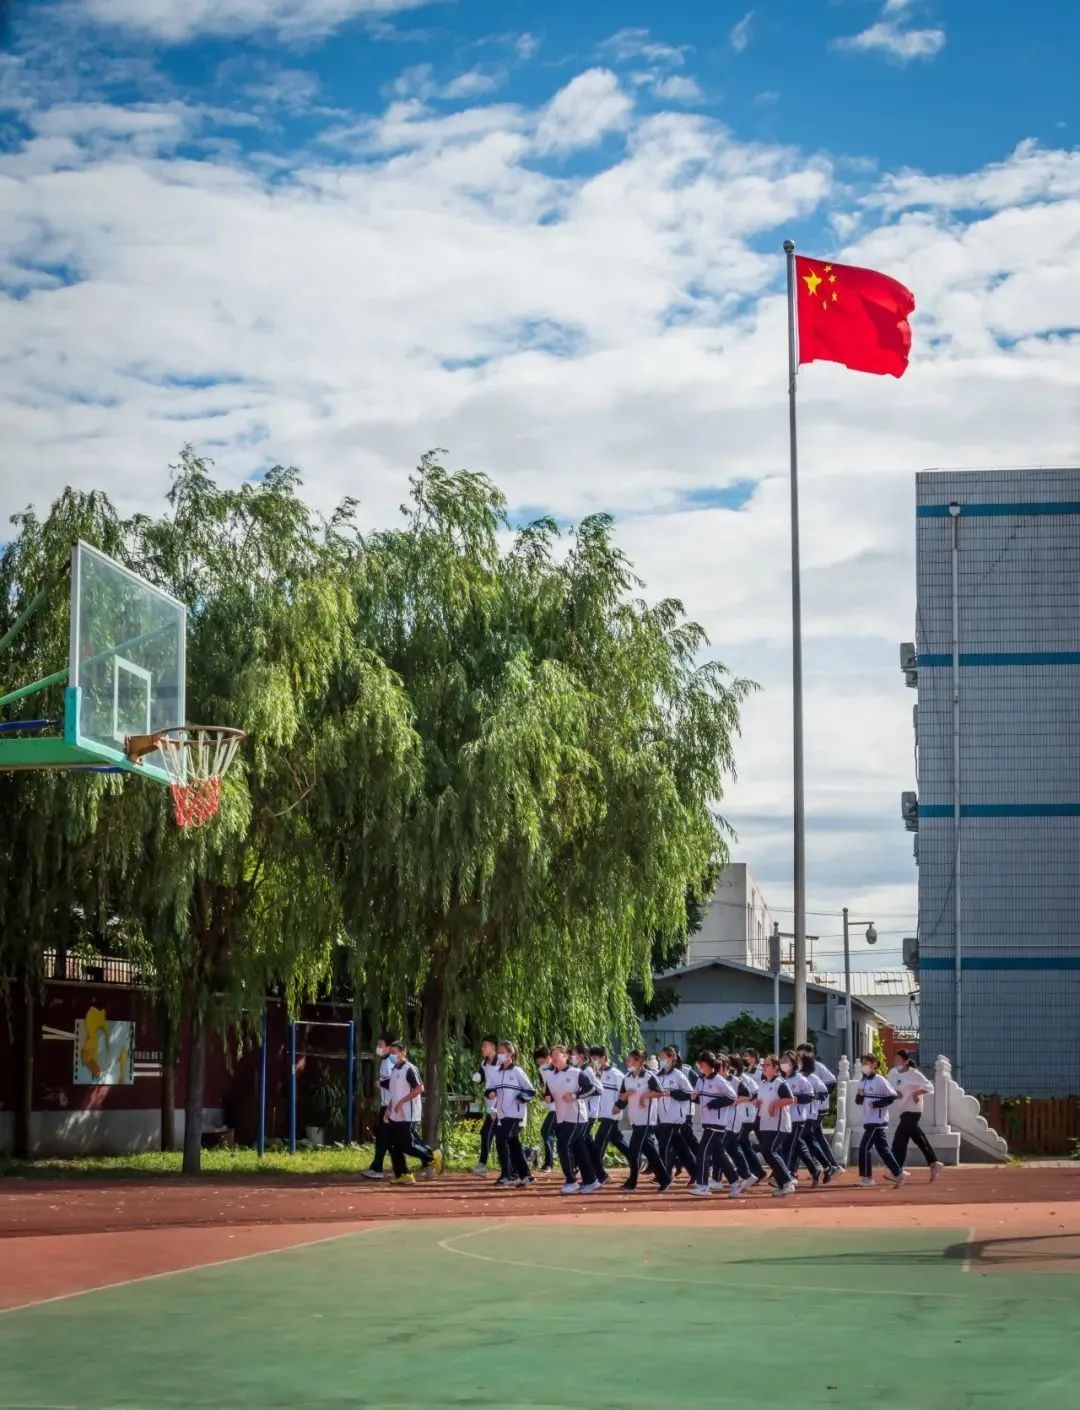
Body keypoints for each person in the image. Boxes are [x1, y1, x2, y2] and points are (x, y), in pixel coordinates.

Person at [542, 1044, 604, 1194]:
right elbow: (548, 1093)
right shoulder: (550, 1076)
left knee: (563, 1145)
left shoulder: (576, 1073)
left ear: (565, 1056)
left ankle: (571, 1181)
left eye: (557, 1054)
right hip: (561, 1117)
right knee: (578, 1149)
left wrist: (575, 1095)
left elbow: (592, 1089)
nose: (554, 1057)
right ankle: (591, 1181)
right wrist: (548, 1098)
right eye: (552, 1055)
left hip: (576, 1117)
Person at [385, 1039, 442, 1184]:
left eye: (394, 1052)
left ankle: (432, 1157)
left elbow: (419, 1088)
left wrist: (402, 1102)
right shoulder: (394, 1070)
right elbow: (395, 1092)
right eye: (390, 1052)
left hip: (408, 1113)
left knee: (407, 1144)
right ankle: (403, 1174)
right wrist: (389, 1107)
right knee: (392, 1144)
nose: (391, 1055)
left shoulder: (409, 1069)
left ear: (403, 1053)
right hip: (396, 1114)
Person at [614, 1050, 671, 1192]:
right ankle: (665, 1178)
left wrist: (646, 1095)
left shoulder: (649, 1076)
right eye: (627, 1060)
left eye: (630, 1060)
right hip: (634, 1120)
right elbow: (622, 1096)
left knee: (634, 1151)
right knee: (650, 1151)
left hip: (646, 1120)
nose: (627, 1063)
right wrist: (621, 1102)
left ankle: (631, 1183)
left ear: (639, 1061)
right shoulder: (627, 1078)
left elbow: (661, 1092)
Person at [690, 1051, 744, 1198]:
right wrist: (691, 1097)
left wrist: (713, 1104)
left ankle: (703, 1185)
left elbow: (732, 1097)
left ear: (707, 1064)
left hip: (717, 1123)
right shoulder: (701, 1080)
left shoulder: (719, 1080)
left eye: (701, 1063)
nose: (699, 1066)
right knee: (719, 1154)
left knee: (703, 1151)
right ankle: (735, 1181)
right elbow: (697, 1097)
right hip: (707, 1122)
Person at [487, 1040, 536, 1188]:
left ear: (511, 1053)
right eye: (499, 1053)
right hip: (501, 1114)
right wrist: (491, 1093)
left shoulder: (517, 1071)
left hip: (515, 1114)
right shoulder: (495, 1073)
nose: (500, 1055)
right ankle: (526, 1175)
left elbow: (530, 1090)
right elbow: (489, 1089)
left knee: (502, 1140)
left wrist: (521, 1098)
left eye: (503, 1052)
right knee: (514, 1144)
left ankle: (506, 1175)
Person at [854, 1053, 905, 1188]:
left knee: (864, 1147)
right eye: (863, 1064)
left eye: (867, 1063)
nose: (864, 1066)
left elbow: (892, 1096)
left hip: (877, 1121)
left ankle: (867, 1178)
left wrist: (876, 1104)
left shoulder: (880, 1080)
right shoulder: (862, 1082)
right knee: (883, 1149)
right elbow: (858, 1101)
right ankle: (898, 1173)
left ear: (874, 1064)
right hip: (868, 1120)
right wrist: (860, 1095)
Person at [890, 1052, 944, 1180]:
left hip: (914, 1110)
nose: (895, 1062)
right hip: (903, 1110)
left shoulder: (914, 1074)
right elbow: (889, 1087)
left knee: (900, 1139)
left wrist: (916, 1093)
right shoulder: (892, 1073)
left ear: (906, 1062)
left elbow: (930, 1087)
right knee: (919, 1138)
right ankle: (934, 1163)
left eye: (898, 1059)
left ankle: (896, 1171)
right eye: (895, 1059)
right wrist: (895, 1093)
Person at [752, 1053, 797, 1196]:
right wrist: (757, 1103)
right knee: (767, 1152)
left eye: (768, 1065)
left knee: (770, 1151)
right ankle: (782, 1182)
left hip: (779, 1124)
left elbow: (790, 1099)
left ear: (776, 1067)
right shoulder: (763, 1084)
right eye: (763, 1065)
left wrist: (774, 1104)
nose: (764, 1067)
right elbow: (760, 1100)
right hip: (766, 1123)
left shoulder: (780, 1083)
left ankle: (788, 1181)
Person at [796, 1042, 842, 1177]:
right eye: (799, 1054)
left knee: (802, 1136)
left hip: (819, 1108)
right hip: (808, 1110)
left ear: (811, 1054)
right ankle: (831, 1165)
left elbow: (832, 1082)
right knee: (816, 1137)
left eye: (803, 1054)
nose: (801, 1057)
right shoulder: (799, 1069)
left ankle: (816, 1166)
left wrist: (817, 1096)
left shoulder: (818, 1067)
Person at [654, 1046, 699, 1184]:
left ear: (672, 1058)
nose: (660, 1060)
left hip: (676, 1117)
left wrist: (672, 1093)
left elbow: (690, 1094)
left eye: (663, 1057)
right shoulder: (658, 1075)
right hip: (663, 1116)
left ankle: (664, 1176)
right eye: (660, 1058)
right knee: (680, 1146)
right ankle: (696, 1172)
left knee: (663, 1144)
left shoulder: (679, 1075)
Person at [782, 1051, 822, 1185]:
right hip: (785, 1118)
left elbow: (810, 1096)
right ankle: (814, 1170)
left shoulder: (800, 1079)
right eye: (782, 1061)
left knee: (788, 1146)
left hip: (797, 1118)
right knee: (798, 1145)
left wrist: (797, 1099)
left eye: (786, 1061)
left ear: (793, 1063)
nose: (783, 1064)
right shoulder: (782, 1079)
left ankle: (786, 1175)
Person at [590, 1045, 632, 1175]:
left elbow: (626, 1093)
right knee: (616, 1140)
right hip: (601, 1114)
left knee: (599, 1142)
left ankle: (596, 1171)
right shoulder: (594, 1074)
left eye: (595, 1058)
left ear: (603, 1058)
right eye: (592, 1059)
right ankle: (635, 1159)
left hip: (611, 1115)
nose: (593, 1061)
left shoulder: (616, 1074)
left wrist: (619, 1106)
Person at [361, 1032, 396, 1181]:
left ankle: (428, 1158)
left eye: (381, 1045)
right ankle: (378, 1167)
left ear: (389, 1047)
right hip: (386, 1105)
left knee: (389, 1138)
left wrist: (380, 1084)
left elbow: (395, 1083)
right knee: (384, 1138)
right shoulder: (384, 1061)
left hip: (390, 1106)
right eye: (378, 1044)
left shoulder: (390, 1062)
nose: (378, 1047)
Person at [730, 1054, 767, 1184]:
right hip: (738, 1117)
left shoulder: (744, 1079)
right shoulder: (731, 1079)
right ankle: (757, 1172)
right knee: (743, 1143)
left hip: (747, 1117)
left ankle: (746, 1171)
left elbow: (756, 1094)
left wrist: (743, 1100)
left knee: (736, 1142)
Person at [470, 1035, 501, 1176]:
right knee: (502, 1136)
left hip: (500, 1104)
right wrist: (478, 1078)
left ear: (493, 1047)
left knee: (486, 1132)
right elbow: (482, 1078)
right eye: (482, 1046)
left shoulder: (501, 1061)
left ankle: (482, 1164)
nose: (482, 1048)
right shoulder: (484, 1063)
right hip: (490, 1104)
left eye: (485, 1046)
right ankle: (529, 1153)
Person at [533, 1045, 556, 1171]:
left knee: (546, 1131)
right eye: (538, 1062)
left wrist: (550, 1095)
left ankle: (549, 1163)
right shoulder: (543, 1068)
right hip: (553, 1105)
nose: (540, 1064)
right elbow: (547, 1085)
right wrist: (546, 1095)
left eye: (542, 1060)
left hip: (559, 1107)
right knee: (549, 1132)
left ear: (548, 1057)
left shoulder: (557, 1068)